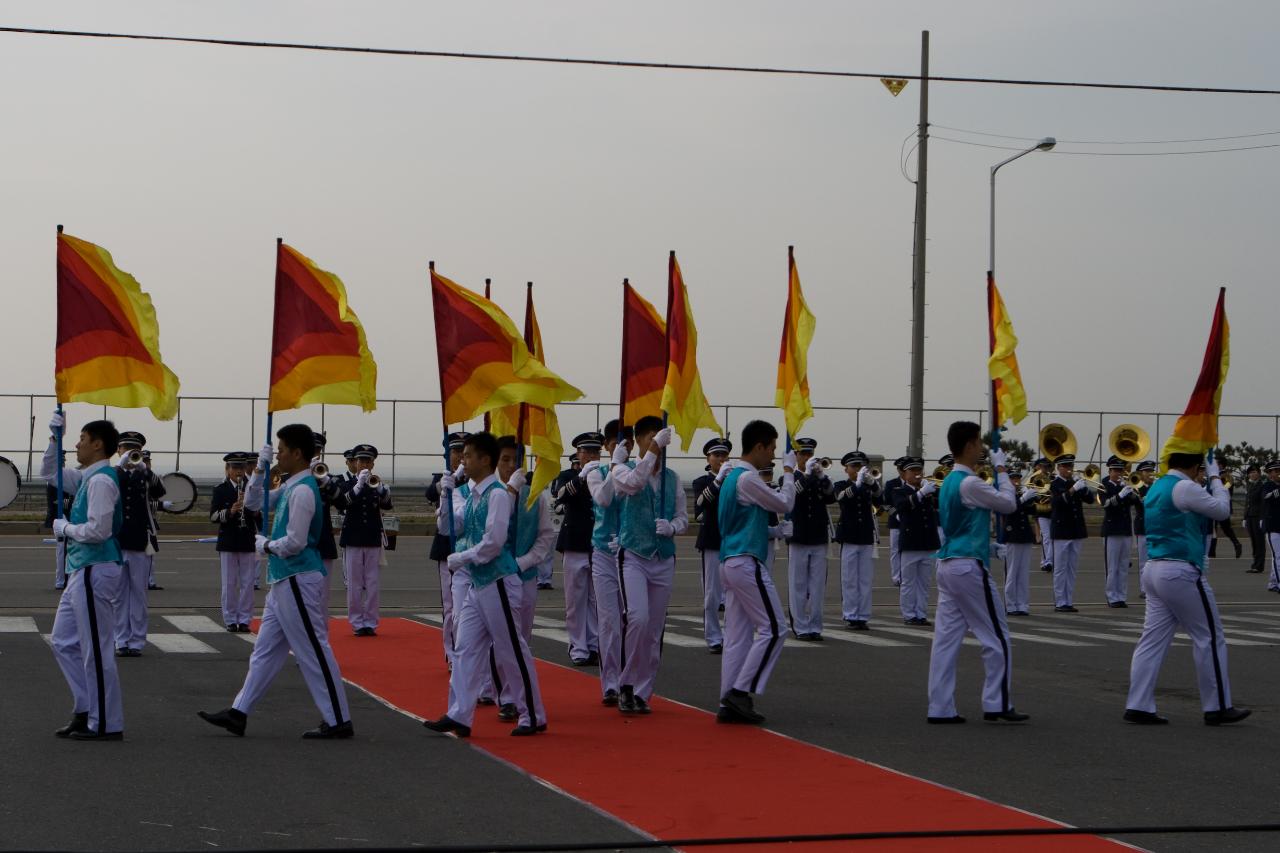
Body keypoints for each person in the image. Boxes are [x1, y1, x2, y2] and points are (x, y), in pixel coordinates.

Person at [198, 425, 353, 739]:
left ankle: (338, 719)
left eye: (281, 449)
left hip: (297, 577)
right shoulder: (293, 485)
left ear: (297, 453)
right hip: (284, 579)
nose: (277, 454)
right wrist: (258, 470)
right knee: (265, 652)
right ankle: (239, 712)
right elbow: (255, 503)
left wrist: (265, 545)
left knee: (312, 650)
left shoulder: (304, 490)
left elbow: (296, 541)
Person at [423, 432, 547, 737]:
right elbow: (448, 526)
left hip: (499, 581)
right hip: (478, 583)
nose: (463, 460)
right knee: (465, 647)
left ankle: (531, 713)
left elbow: (493, 543)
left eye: (468, 455)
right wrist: (446, 494)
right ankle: (460, 714)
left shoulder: (498, 496)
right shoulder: (473, 494)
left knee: (510, 648)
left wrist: (461, 557)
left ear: (484, 460)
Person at [1123, 452, 1250, 726]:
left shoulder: (1157, 485)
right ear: (1194, 466)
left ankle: (1138, 703)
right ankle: (1217, 706)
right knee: (1210, 637)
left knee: (1152, 640)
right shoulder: (1184, 486)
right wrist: (1216, 477)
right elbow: (1222, 510)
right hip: (1180, 568)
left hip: (1155, 567)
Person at [927, 422, 1027, 725]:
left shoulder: (949, 482)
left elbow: (961, 524)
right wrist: (1001, 471)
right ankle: (997, 702)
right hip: (968, 566)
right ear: (970, 445)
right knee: (996, 634)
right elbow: (1009, 504)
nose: (983, 448)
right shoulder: (970, 482)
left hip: (949, 562)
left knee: (946, 639)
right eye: (979, 443)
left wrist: (990, 544)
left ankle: (940, 706)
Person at [45, 413, 125, 741]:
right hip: (80, 569)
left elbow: (99, 530)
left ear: (98, 444)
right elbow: (50, 473)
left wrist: (65, 529)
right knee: (63, 641)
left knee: (95, 647)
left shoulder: (103, 480)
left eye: (81, 438)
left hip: (95, 568)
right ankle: (85, 708)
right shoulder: (88, 477)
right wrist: (54, 438)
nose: (77, 444)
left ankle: (106, 722)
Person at [716, 420, 797, 724]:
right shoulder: (748, 479)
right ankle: (740, 691)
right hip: (745, 561)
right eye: (773, 448)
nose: (774, 455)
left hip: (732, 559)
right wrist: (790, 473)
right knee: (775, 628)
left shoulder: (733, 478)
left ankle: (729, 699)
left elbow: (747, 521)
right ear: (759, 447)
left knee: (737, 635)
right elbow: (785, 502)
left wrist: (774, 530)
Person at [609, 416, 686, 714]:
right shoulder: (623, 470)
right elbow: (634, 483)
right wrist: (653, 448)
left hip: (663, 557)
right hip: (634, 556)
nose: (659, 441)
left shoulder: (673, 478)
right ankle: (625, 684)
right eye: (651, 437)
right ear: (639, 441)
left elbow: (682, 516)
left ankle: (642, 690)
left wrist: (673, 527)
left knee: (654, 629)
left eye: (661, 436)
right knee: (637, 619)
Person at [583, 420, 633, 706]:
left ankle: (629, 680)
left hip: (631, 553)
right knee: (610, 622)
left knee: (633, 620)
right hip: (603, 552)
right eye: (615, 443)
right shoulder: (594, 472)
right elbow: (603, 499)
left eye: (625, 444)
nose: (621, 448)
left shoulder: (636, 470)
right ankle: (610, 683)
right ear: (606, 446)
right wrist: (615, 467)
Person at [112, 431, 164, 656]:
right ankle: (120, 640)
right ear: (118, 451)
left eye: (136, 450)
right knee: (118, 595)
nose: (131, 453)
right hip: (117, 539)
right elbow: (113, 486)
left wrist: (146, 470)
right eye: (126, 449)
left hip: (141, 541)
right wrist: (122, 467)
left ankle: (136, 642)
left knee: (139, 594)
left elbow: (160, 492)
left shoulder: (145, 474)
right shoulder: (113, 473)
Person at [332, 444, 392, 637]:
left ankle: (372, 622)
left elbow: (387, 505)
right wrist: (358, 485)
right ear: (355, 462)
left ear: (373, 463)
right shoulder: (347, 484)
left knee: (373, 583)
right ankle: (357, 622)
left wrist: (382, 489)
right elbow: (343, 502)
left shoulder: (376, 483)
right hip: (353, 537)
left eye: (368, 461)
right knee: (355, 584)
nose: (364, 464)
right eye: (361, 460)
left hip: (372, 537)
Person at [556, 434, 603, 666]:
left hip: (599, 544)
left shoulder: (605, 475)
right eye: (587, 452)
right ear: (578, 454)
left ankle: (594, 645)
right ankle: (578, 646)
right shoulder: (569, 476)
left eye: (596, 452)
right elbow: (560, 495)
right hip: (574, 542)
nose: (592, 456)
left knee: (597, 600)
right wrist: (582, 476)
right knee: (575, 599)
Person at [426, 432, 469, 665]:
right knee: (451, 605)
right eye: (455, 451)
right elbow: (430, 493)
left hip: (472, 549)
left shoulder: (476, 477)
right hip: (447, 548)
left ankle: (469, 652)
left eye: (464, 451)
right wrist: (444, 483)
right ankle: (452, 654)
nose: (460, 456)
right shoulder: (443, 477)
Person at [786, 437, 834, 641]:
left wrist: (822, 476)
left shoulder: (818, 478)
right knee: (798, 584)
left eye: (810, 454)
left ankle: (815, 626)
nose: (807, 458)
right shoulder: (790, 478)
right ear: (796, 456)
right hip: (798, 536)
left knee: (817, 586)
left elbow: (832, 497)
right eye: (803, 454)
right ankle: (800, 626)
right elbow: (792, 495)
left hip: (818, 537)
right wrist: (806, 476)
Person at [209, 452, 259, 632]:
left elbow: (259, 518)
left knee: (248, 582)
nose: (239, 472)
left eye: (241, 468)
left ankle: (245, 619)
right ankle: (230, 618)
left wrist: (253, 511)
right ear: (227, 469)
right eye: (235, 468)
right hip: (228, 541)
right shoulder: (220, 489)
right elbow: (213, 517)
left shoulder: (252, 487)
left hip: (247, 539)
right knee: (229, 583)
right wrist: (230, 511)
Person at [693, 437, 732, 652]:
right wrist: (718, 482)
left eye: (723, 455)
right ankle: (714, 637)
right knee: (712, 594)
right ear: (708, 458)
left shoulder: (735, 479)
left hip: (733, 541)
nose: (720, 459)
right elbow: (701, 503)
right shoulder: (702, 481)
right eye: (716, 455)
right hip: (711, 540)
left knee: (734, 593)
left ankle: (732, 635)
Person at [833, 451, 880, 630]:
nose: (858, 469)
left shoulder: (869, 485)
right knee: (850, 579)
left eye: (860, 466)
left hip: (866, 535)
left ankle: (863, 615)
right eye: (854, 466)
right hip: (850, 536)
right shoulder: (840, 485)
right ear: (846, 469)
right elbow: (841, 498)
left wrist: (872, 483)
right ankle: (851, 615)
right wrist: (859, 484)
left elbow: (880, 499)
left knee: (865, 579)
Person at [894, 457, 939, 626]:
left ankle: (921, 613)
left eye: (918, 470)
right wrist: (920, 493)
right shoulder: (900, 491)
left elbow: (939, 504)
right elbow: (902, 506)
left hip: (928, 542)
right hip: (911, 542)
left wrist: (929, 491)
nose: (916, 474)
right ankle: (909, 614)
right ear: (904, 474)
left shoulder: (927, 491)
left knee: (924, 583)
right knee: (908, 582)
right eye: (912, 471)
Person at [1049, 454, 1095, 612]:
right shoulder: (1054, 484)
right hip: (1061, 531)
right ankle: (1060, 601)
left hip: (1076, 530)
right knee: (1061, 568)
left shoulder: (1074, 482)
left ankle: (1068, 600)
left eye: (1070, 466)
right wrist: (1072, 489)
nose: (1069, 469)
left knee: (1072, 568)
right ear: (1059, 468)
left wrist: (1084, 487)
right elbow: (1056, 503)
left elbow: (1090, 500)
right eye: (1066, 466)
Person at [1100, 456, 1140, 608]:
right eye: (1115, 470)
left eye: (1120, 470)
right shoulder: (1104, 485)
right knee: (1112, 566)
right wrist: (1120, 494)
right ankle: (1111, 597)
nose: (1118, 473)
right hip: (1111, 530)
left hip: (1125, 530)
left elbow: (1138, 503)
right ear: (1109, 471)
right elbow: (1106, 504)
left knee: (1123, 566)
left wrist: (1133, 493)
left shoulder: (1126, 485)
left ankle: (1121, 596)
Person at [1003, 466, 1038, 616]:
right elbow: (1009, 510)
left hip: (1025, 536)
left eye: (1017, 478)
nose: (1016, 481)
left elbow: (1033, 511)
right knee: (1012, 573)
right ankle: (1010, 605)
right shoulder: (1004, 494)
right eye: (1013, 478)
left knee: (1023, 573)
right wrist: (1023, 499)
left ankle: (1022, 604)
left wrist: (1033, 498)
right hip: (1013, 536)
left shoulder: (1018, 494)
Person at [42, 451, 73, 590]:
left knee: (67, 550)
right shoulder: (53, 480)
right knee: (62, 550)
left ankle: (65, 579)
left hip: (68, 517)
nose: (63, 462)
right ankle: (61, 581)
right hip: (60, 518)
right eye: (60, 460)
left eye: (63, 460)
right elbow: (56, 503)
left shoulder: (65, 476)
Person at [881, 458, 910, 588]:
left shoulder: (915, 483)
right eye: (900, 469)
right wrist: (895, 514)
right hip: (896, 522)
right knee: (895, 550)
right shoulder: (891, 484)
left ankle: (906, 574)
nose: (902, 472)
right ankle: (896, 576)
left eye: (904, 469)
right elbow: (886, 503)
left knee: (909, 550)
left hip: (910, 521)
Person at [1032, 457, 1055, 573]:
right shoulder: (1037, 479)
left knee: (1051, 538)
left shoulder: (1053, 478)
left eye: (1047, 467)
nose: (1046, 469)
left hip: (1053, 512)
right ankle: (1046, 562)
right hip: (1042, 511)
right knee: (1046, 537)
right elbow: (1035, 495)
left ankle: (1047, 561)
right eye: (1043, 467)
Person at [1133, 461, 1157, 570]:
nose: (1150, 473)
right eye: (1147, 471)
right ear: (1140, 474)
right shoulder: (1137, 488)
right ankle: (1144, 587)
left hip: (1157, 528)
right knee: (1144, 563)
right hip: (1143, 528)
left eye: (1151, 471)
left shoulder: (1158, 487)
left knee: (1157, 562)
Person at [1243, 465, 1265, 573]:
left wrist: (1262, 518)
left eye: (1254, 472)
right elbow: (1247, 503)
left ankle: (1259, 565)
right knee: (1254, 542)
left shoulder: (1262, 486)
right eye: (1250, 472)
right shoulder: (1249, 486)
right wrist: (1244, 517)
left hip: (1257, 517)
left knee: (1259, 542)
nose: (1252, 474)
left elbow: (1263, 504)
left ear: (1259, 474)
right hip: (1250, 516)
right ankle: (1255, 563)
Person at [1263, 461, 1280, 593]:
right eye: (1275, 471)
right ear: (1269, 474)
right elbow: (1266, 498)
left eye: (1278, 470)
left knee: (1277, 556)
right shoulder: (1267, 486)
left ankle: (1273, 582)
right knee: (1278, 556)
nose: (1277, 473)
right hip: (1272, 526)